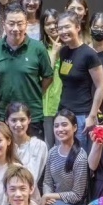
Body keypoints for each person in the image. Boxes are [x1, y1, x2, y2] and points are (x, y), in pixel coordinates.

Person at [0, 4, 54, 138]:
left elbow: (48, 77)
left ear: (26, 24)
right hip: (2, 116)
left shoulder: (38, 48)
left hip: (32, 116)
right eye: (11, 24)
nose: (15, 29)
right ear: (4, 24)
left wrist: (34, 92)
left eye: (20, 24)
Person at [41, 110, 90, 205]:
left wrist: (50, 196)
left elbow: (77, 195)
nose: (60, 129)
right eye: (56, 126)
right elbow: (47, 181)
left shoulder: (80, 157)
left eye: (64, 125)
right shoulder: (52, 152)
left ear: (74, 127)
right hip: (56, 201)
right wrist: (48, 196)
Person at [55, 10, 103, 144]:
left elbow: (100, 86)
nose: (63, 31)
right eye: (60, 28)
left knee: (79, 154)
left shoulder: (89, 54)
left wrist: (92, 116)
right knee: (62, 152)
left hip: (82, 114)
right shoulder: (64, 51)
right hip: (63, 112)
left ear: (77, 27)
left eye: (67, 27)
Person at [6, 102, 48, 182]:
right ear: (7, 121)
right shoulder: (3, 145)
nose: (18, 124)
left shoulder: (39, 145)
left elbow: (33, 176)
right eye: (14, 120)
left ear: (29, 120)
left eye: (22, 120)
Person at [40, 10, 63, 145]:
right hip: (46, 106)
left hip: (64, 105)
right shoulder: (39, 49)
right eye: (48, 24)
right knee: (47, 147)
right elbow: (44, 75)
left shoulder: (69, 47)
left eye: (55, 23)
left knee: (63, 147)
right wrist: (53, 53)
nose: (53, 26)